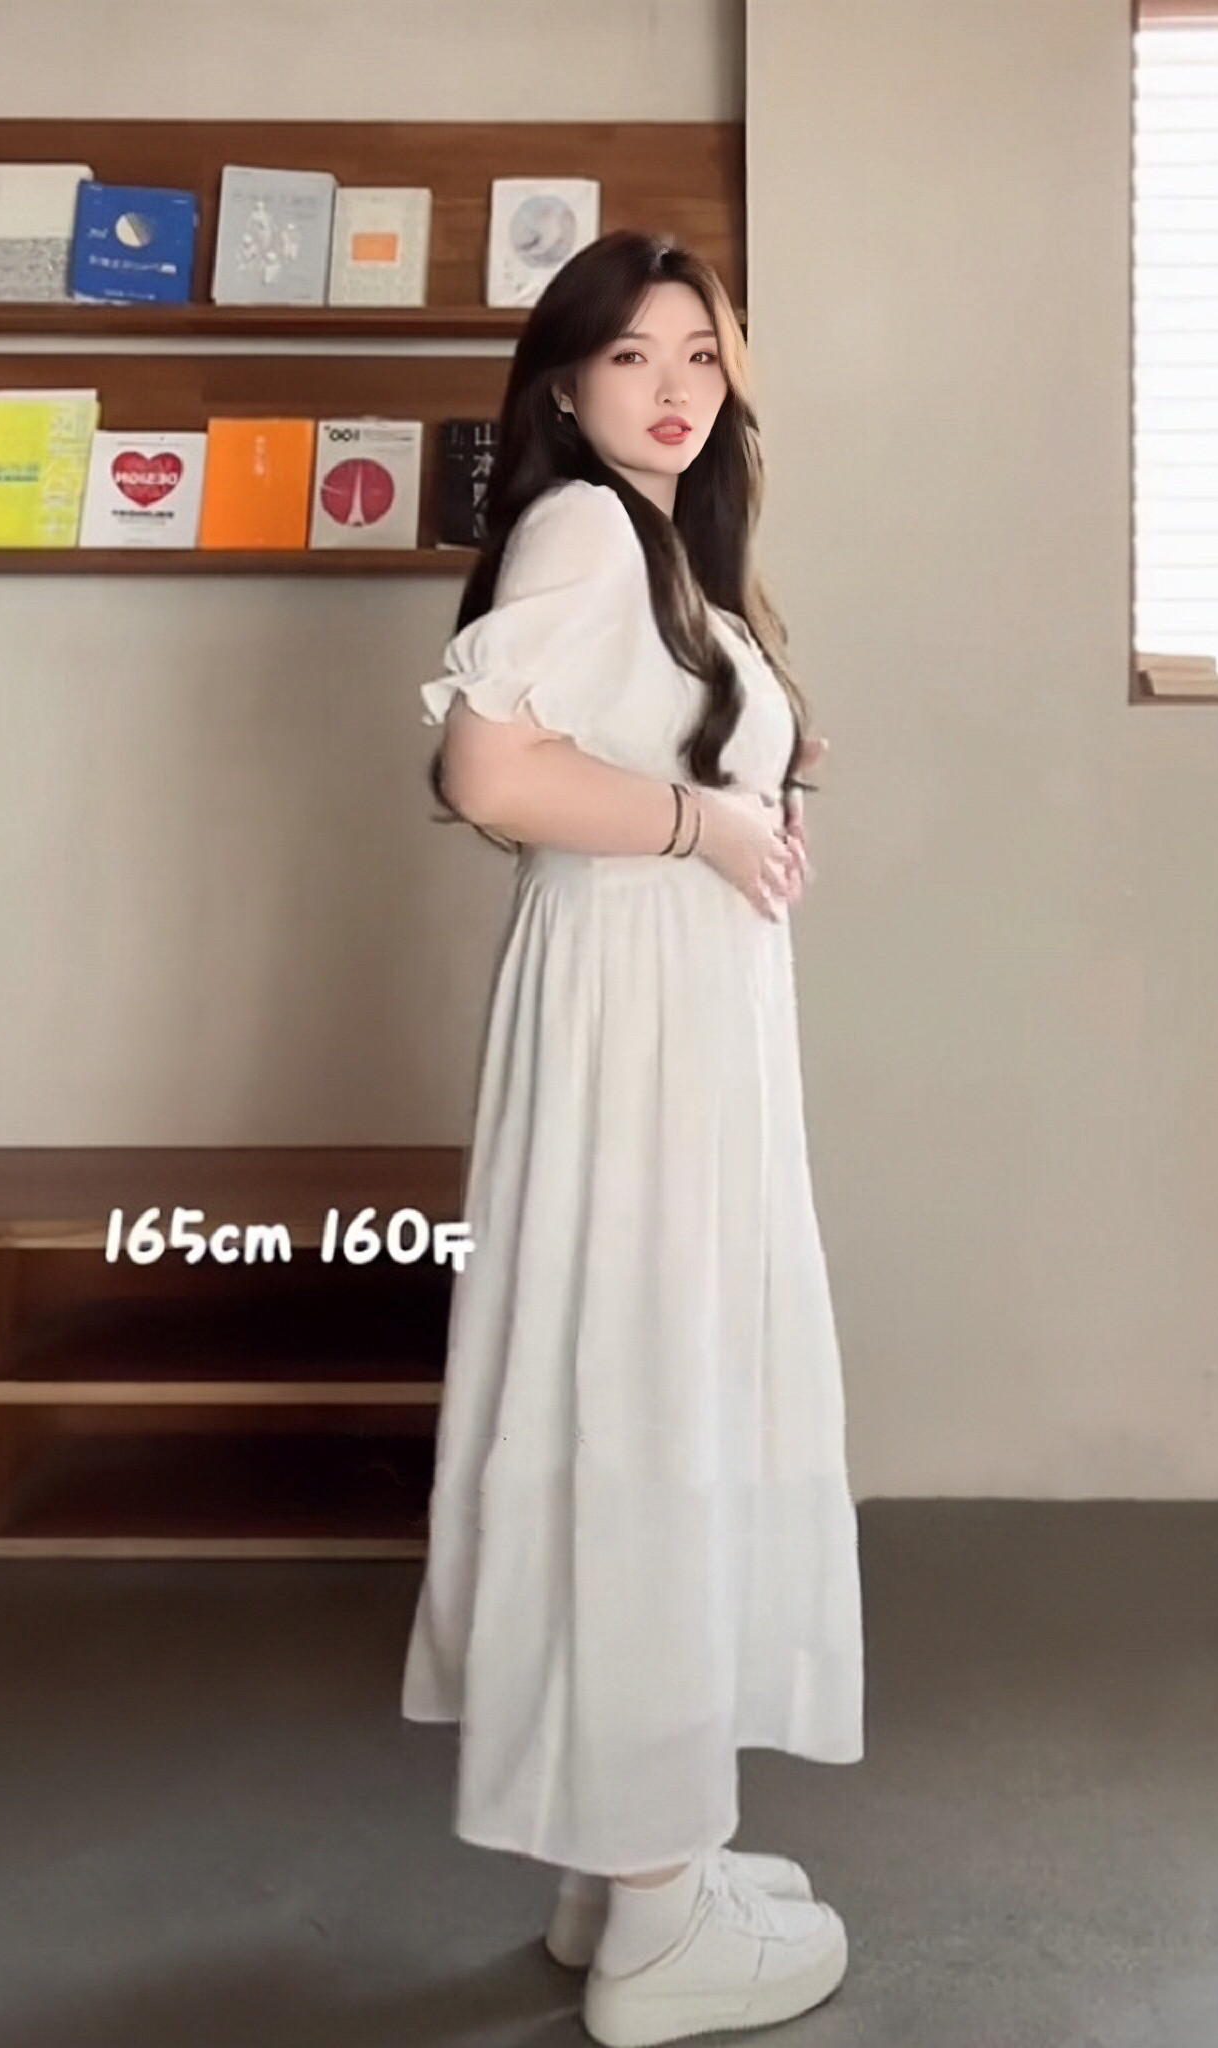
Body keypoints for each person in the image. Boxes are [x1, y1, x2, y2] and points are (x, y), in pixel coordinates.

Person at [400, 228, 865, 2047]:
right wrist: (704, 828)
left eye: (699, 354)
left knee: (649, 1389)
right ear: (566, 386)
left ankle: (633, 1866)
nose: (674, 388)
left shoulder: (656, 546)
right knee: (655, 1396)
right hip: (640, 1019)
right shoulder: (590, 528)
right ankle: (663, 1926)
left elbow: (626, 756)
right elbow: (491, 774)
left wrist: (753, 797)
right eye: (630, 358)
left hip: (666, 1009)